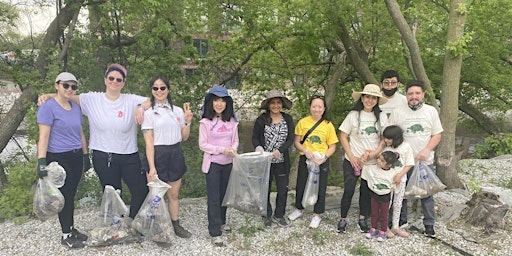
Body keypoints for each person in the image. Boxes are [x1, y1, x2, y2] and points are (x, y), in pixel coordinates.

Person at [40, 64, 151, 220]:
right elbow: (66, 95)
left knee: (140, 189)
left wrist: (141, 107)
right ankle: (116, 226)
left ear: (123, 83)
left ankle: (132, 221)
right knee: (112, 193)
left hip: (129, 154)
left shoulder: (131, 100)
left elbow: (154, 99)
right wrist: (48, 95)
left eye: (119, 79)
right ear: (105, 80)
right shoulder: (92, 99)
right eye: (111, 78)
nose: (115, 81)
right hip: (103, 155)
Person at [36, 72, 89, 248]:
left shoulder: (75, 107)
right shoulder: (48, 107)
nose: (69, 89)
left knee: (71, 194)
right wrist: (41, 161)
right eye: (66, 85)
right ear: (57, 85)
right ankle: (66, 235)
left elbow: (80, 133)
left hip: (75, 156)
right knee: (64, 196)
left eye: (73, 86)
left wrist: (85, 154)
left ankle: (71, 228)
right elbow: (43, 137)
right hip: (58, 157)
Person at [388, 80, 443, 238]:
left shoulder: (431, 111)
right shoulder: (398, 112)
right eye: (410, 93)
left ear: (423, 94)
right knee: (401, 193)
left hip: (424, 161)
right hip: (403, 162)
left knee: (426, 193)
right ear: (406, 95)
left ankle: (429, 225)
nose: (414, 96)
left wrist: (427, 149)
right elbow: (390, 134)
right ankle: (401, 222)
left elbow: (437, 134)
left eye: (417, 93)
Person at [140, 76, 193, 238]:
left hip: (175, 153)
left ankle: (175, 223)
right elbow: (149, 142)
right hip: (157, 154)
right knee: (156, 196)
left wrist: (188, 121)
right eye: (155, 88)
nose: (159, 91)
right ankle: (156, 227)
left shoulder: (177, 111)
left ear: (168, 89)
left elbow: (184, 137)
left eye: (162, 88)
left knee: (174, 194)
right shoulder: (148, 113)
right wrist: (152, 166)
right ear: (151, 91)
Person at [336, 84, 388, 234]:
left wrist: (374, 153)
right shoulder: (353, 115)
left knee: (366, 192)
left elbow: (384, 139)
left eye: (373, 98)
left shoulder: (382, 117)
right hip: (353, 160)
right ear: (362, 98)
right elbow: (343, 136)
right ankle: (343, 218)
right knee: (349, 189)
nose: (370, 100)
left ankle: (362, 217)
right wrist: (352, 157)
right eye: (367, 97)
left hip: (372, 162)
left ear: (377, 100)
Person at [288, 95, 338, 229]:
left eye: (319, 107)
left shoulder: (328, 125)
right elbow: (297, 142)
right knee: (301, 184)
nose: (317, 109)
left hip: (321, 160)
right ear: (310, 107)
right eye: (314, 106)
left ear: (324, 108)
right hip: (306, 159)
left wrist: (324, 157)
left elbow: (333, 146)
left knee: (320, 187)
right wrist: (305, 150)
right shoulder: (303, 123)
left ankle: (317, 214)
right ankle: (299, 209)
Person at [198, 85, 239, 247]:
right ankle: (215, 231)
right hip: (213, 165)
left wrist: (233, 149)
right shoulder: (205, 122)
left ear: (227, 103)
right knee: (214, 198)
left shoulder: (232, 122)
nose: (219, 104)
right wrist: (222, 149)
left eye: (222, 100)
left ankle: (222, 222)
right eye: (216, 100)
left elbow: (235, 140)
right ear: (211, 102)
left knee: (224, 197)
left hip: (229, 164)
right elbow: (203, 145)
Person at [252, 90, 294, 227]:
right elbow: (255, 138)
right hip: (265, 161)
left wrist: (279, 151)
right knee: (265, 188)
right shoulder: (261, 120)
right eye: (273, 103)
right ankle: (266, 214)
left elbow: (290, 139)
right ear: (268, 105)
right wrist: (258, 147)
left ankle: (279, 214)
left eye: (278, 103)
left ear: (282, 105)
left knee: (282, 189)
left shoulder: (287, 119)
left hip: (281, 161)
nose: (276, 106)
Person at [366, 125, 414, 238]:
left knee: (398, 203)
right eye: (385, 138)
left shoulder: (406, 147)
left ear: (396, 138)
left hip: (400, 180)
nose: (385, 140)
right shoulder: (386, 147)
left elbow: (409, 163)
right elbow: (378, 156)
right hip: (386, 181)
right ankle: (384, 227)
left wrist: (400, 175)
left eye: (388, 138)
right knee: (387, 204)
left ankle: (396, 226)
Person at [364, 151, 400, 242]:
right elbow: (364, 168)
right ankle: (373, 229)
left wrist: (395, 185)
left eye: (382, 161)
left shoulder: (393, 173)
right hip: (374, 195)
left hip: (385, 197)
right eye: (379, 159)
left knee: (384, 215)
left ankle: (383, 231)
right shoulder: (373, 168)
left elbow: (395, 185)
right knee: (374, 213)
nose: (379, 161)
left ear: (389, 164)